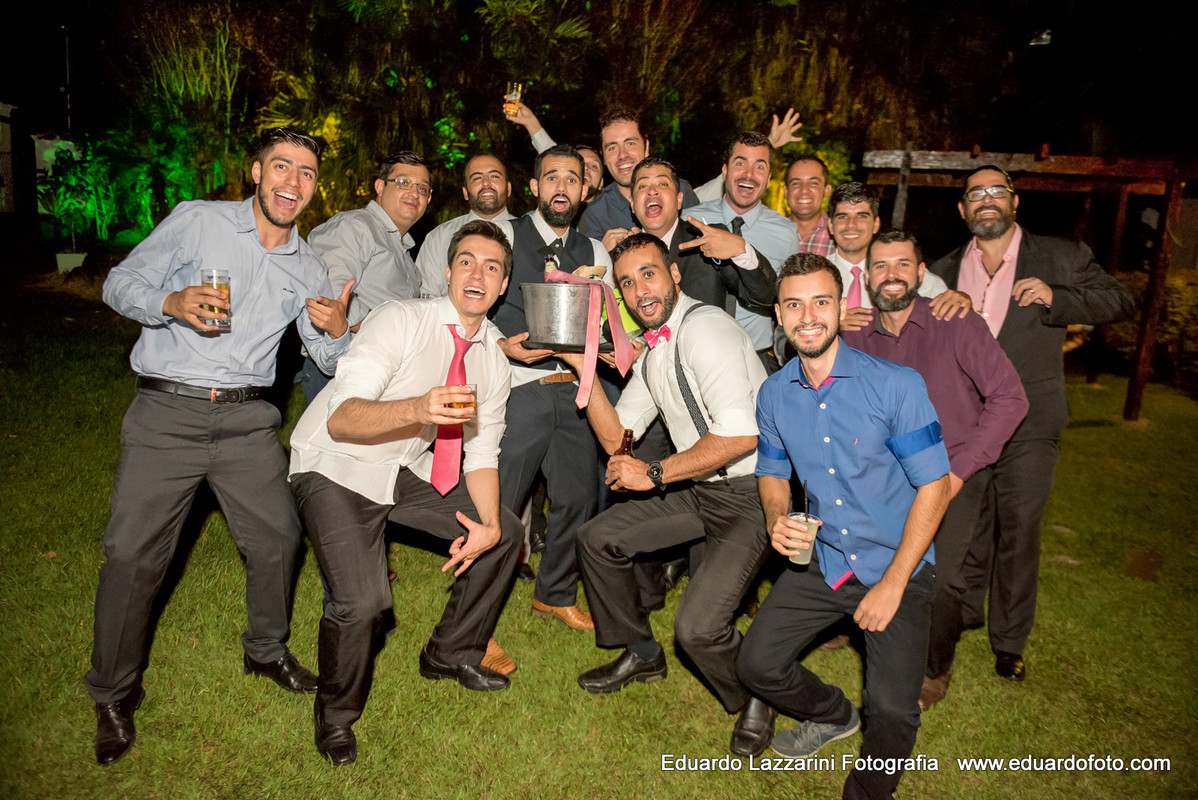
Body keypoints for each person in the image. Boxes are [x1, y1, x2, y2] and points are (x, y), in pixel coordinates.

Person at [88, 127, 352, 766]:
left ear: (316, 189)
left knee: (278, 539)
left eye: (307, 173)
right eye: (281, 167)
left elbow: (325, 353)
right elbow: (118, 284)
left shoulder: (309, 265)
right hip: (167, 412)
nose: (292, 182)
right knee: (131, 555)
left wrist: (339, 330)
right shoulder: (197, 222)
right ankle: (113, 693)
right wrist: (169, 301)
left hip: (247, 423)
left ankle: (264, 649)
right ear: (256, 172)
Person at [288, 220, 522, 765]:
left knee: (506, 533)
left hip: (403, 471)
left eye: (492, 267)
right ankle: (336, 716)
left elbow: (482, 455)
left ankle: (450, 653)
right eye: (467, 261)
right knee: (365, 602)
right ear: (447, 271)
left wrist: (485, 524)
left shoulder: (493, 360)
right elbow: (343, 419)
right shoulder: (401, 320)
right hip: (336, 465)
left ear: (504, 285)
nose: (477, 274)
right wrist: (419, 407)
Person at [737, 253, 951, 799]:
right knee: (756, 664)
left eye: (820, 302)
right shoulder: (774, 393)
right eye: (794, 304)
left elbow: (935, 486)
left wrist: (894, 584)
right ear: (779, 316)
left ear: (841, 308)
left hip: (895, 561)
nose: (807, 315)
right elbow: (770, 470)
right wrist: (777, 517)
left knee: (894, 711)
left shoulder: (897, 386)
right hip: (826, 557)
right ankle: (833, 714)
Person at [563, 233, 774, 756]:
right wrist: (582, 370)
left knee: (698, 629)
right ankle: (641, 652)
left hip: (750, 493)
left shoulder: (707, 330)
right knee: (598, 539)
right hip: (701, 491)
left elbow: (740, 435)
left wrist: (654, 473)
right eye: (628, 283)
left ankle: (757, 694)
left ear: (675, 275)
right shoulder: (657, 347)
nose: (640, 290)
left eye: (649, 274)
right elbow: (619, 437)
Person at [930, 165, 1134, 682]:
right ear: (963, 209)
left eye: (997, 190)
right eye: (976, 193)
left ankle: (1009, 640)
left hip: (1031, 417)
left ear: (1015, 202)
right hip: (967, 423)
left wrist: (1057, 299)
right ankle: (966, 612)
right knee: (965, 524)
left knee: (1019, 528)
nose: (987, 199)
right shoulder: (944, 269)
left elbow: (1119, 300)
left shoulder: (1059, 255)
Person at [841, 229, 1028, 711]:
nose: (892, 275)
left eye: (903, 264)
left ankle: (934, 665)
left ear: (922, 274)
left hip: (954, 468)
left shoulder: (955, 322)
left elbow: (1010, 399)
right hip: (889, 475)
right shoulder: (856, 334)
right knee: (870, 557)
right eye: (880, 266)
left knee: (943, 579)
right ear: (866, 276)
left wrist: (960, 472)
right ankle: (860, 626)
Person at [488, 144, 614, 631]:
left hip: (576, 390)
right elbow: (469, 307)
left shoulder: (595, 251)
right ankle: (481, 596)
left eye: (572, 179)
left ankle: (555, 592)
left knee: (578, 498)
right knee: (501, 497)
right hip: (520, 385)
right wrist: (502, 346)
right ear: (535, 186)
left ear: (585, 191)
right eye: (551, 177)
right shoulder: (502, 235)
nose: (561, 186)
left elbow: (600, 322)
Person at [298, 151, 432, 400]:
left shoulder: (404, 252)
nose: (414, 193)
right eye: (403, 182)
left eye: (422, 188)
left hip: (383, 376)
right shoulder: (356, 226)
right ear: (380, 186)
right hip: (342, 374)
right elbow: (329, 295)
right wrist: (386, 325)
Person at [684, 132, 800, 372]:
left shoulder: (786, 234)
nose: (749, 174)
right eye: (740, 163)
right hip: (695, 354)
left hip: (756, 358)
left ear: (768, 178)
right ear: (725, 171)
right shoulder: (690, 220)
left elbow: (788, 300)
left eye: (759, 166)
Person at [630, 157, 776, 315]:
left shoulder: (708, 240)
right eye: (643, 186)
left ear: (679, 200)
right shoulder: (622, 256)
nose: (652, 191)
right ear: (632, 204)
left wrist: (741, 249)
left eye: (663, 184)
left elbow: (765, 298)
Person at [414, 153, 517, 298]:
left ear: (508, 188)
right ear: (465, 193)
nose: (486, 183)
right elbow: (426, 298)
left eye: (494, 176)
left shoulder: (527, 235)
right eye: (477, 178)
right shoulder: (438, 237)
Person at [786, 156, 835, 257]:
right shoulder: (768, 235)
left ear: (826, 191)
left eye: (813, 183)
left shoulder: (841, 237)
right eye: (796, 183)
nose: (804, 190)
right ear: (786, 192)